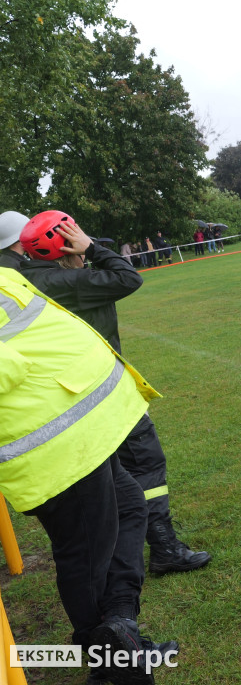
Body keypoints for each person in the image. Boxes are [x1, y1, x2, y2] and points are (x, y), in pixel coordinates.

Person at [0, 265, 176, 685]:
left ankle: (120, 629)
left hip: (79, 432)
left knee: (131, 506)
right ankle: (114, 665)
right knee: (85, 554)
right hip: (50, 445)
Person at [12, 211, 212, 578]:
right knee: (145, 463)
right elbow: (127, 276)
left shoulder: (23, 280)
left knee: (113, 481)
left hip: (64, 398)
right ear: (65, 243)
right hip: (100, 393)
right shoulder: (70, 280)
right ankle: (164, 547)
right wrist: (92, 248)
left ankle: (125, 556)